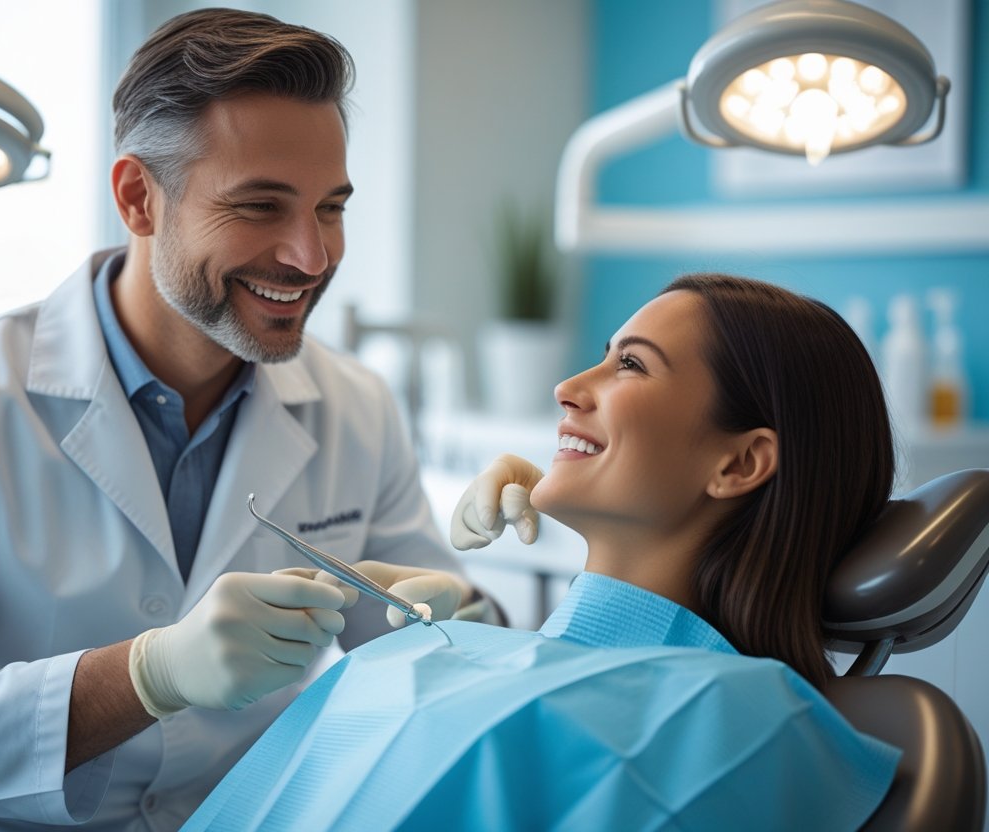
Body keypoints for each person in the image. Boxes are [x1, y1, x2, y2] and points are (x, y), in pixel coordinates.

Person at [0, 9, 499, 830]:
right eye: (259, 206)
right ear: (139, 197)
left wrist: (471, 611)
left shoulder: (358, 408)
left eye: (331, 209)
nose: (312, 258)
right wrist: (148, 675)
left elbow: (436, 672)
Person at [181, 275, 902, 831]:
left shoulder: (740, 717)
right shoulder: (447, 647)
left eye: (631, 366)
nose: (567, 388)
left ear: (739, 464)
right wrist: (472, 630)